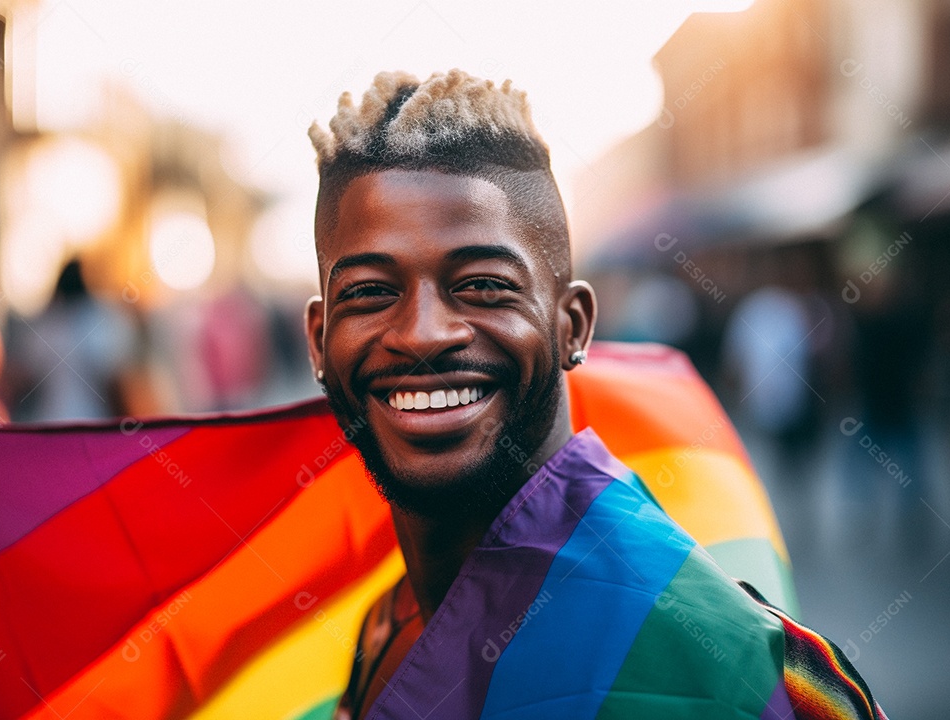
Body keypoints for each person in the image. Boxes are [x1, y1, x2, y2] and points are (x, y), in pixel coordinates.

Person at [304, 69, 887, 719]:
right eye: (370, 292)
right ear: (319, 341)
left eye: (484, 286)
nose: (423, 334)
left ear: (572, 325)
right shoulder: (380, 629)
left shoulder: (728, 669)